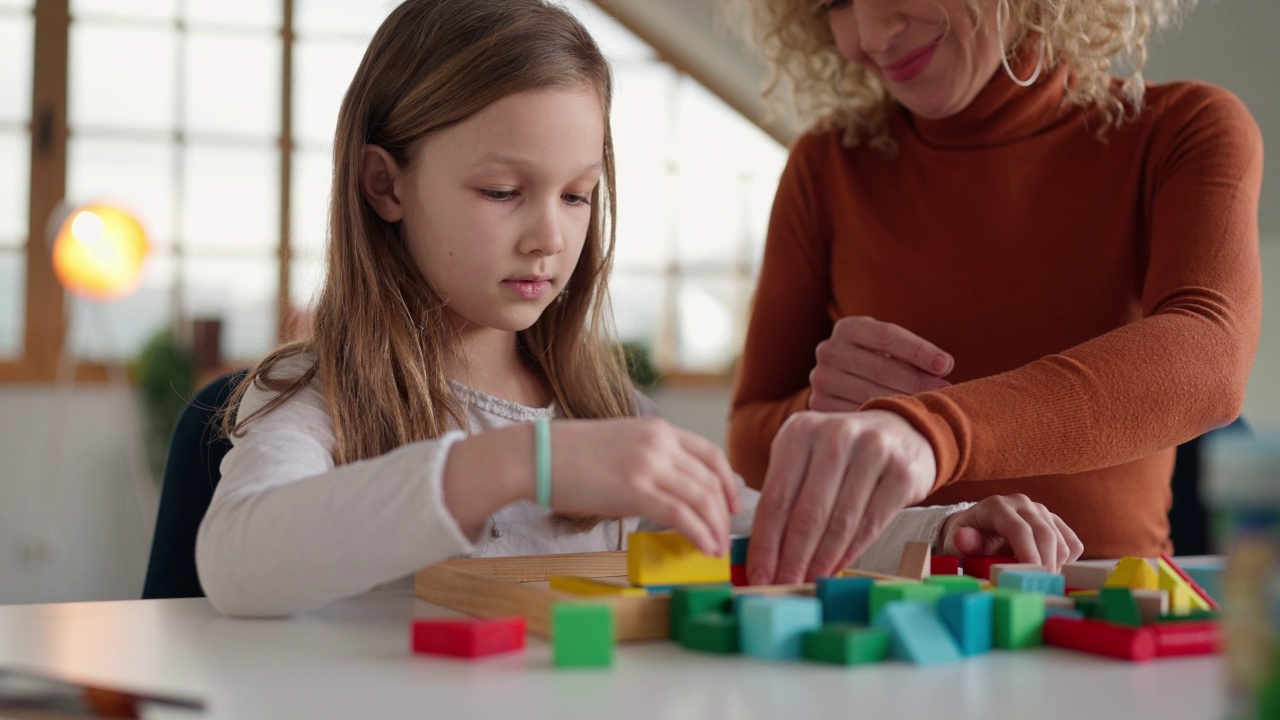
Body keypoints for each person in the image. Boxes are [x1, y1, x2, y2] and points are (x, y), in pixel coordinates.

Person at [196, 0, 1081, 617]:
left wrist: (942, 528)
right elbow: (235, 565)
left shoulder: (600, 410)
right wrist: (515, 464)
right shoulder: (315, 392)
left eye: (578, 196)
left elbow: (747, 521)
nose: (550, 236)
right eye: (504, 190)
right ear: (385, 185)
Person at [726, 0, 1262, 586]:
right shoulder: (826, 166)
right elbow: (749, 438)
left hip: (1103, 613)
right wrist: (824, 415)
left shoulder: (1184, 127)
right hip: (882, 606)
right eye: (835, 2)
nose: (872, 35)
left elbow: (1209, 354)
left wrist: (930, 432)